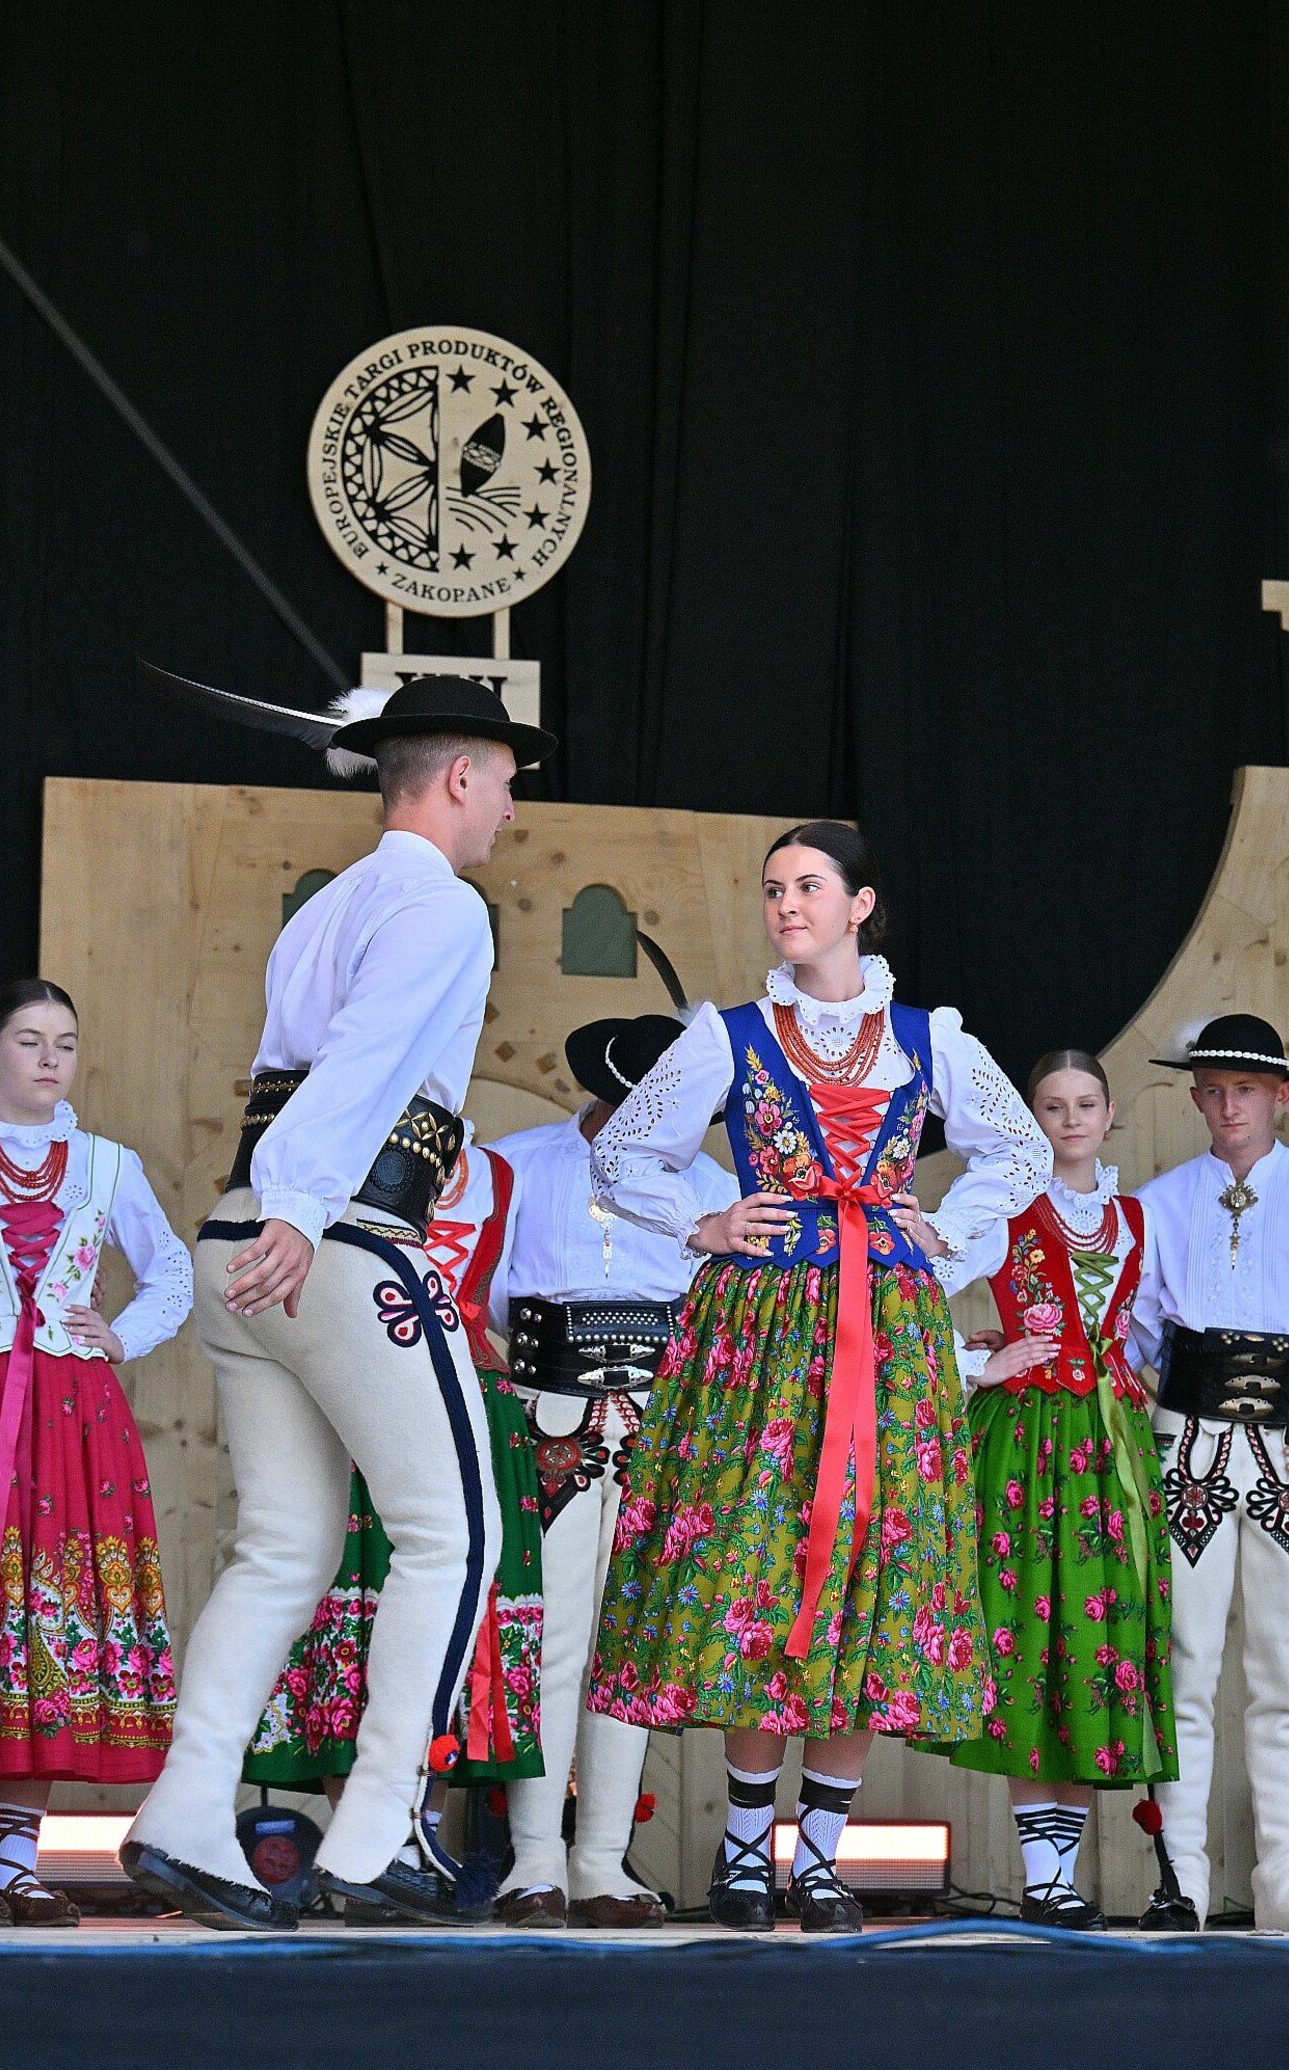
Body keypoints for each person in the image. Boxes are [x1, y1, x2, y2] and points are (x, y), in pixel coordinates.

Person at [123, 673, 556, 1931]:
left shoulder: (327, 905)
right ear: (461, 775)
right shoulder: (444, 905)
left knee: (282, 1544)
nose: (512, 810)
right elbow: (361, 1065)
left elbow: (301, 1065)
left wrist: (280, 1208)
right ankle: (373, 1831)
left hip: (244, 1236)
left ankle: (185, 1812)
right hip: (331, 1239)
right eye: (506, 783)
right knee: (454, 1533)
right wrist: (304, 1210)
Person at [588, 822, 1051, 1932]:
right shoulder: (730, 1032)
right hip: (762, 1330)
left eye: (806, 886)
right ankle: (747, 1853)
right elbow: (622, 1149)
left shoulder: (927, 1036)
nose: (786, 905)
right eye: (771, 889)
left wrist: (945, 1232)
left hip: (886, 1332)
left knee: (871, 1575)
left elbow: (1021, 1149)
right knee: (759, 1567)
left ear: (860, 905)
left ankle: (824, 1859)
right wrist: (703, 1220)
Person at [0, 978, 192, 1929]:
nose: (49, 1058)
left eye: (64, 1042)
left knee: (48, 1616)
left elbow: (173, 1268)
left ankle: (18, 1859)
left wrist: (121, 1333)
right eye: (29, 1040)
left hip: (70, 1415)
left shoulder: (108, 1165)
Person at [488, 1010, 740, 1930]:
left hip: (663, 1425)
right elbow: (485, 1299)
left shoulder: (715, 1187)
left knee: (627, 1645)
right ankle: (533, 1859)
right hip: (542, 1416)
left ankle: (599, 1859)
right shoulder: (517, 1164)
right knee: (548, 1635)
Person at [1130, 1013, 1289, 1935]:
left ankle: (1284, 1881)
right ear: (1196, 1097)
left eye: (1246, 1089)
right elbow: (1134, 1332)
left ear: (1279, 1096)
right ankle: (1182, 1883)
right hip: (1183, 1449)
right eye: (1214, 1089)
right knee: (1183, 1667)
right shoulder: (1158, 1203)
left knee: (1282, 1672)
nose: (1229, 1105)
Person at [932, 1049, 1177, 1925]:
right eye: (1052, 1105)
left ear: (1110, 1115)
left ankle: (1055, 1880)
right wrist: (980, 1362)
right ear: (1029, 1119)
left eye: (1085, 1104)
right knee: (1029, 1638)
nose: (1071, 1119)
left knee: (1092, 1642)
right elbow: (912, 1292)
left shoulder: (1135, 1217)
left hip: (1112, 1449)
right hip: (1027, 1446)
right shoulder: (1003, 1210)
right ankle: (1045, 1880)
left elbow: (1149, 1331)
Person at [245, 1128, 544, 1823]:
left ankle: (417, 1838)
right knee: (353, 1606)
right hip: (361, 1395)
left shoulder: (498, 1175)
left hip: (471, 1401)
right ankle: (363, 1834)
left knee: (452, 1612)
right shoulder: (333, 1153)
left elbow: (505, 1299)